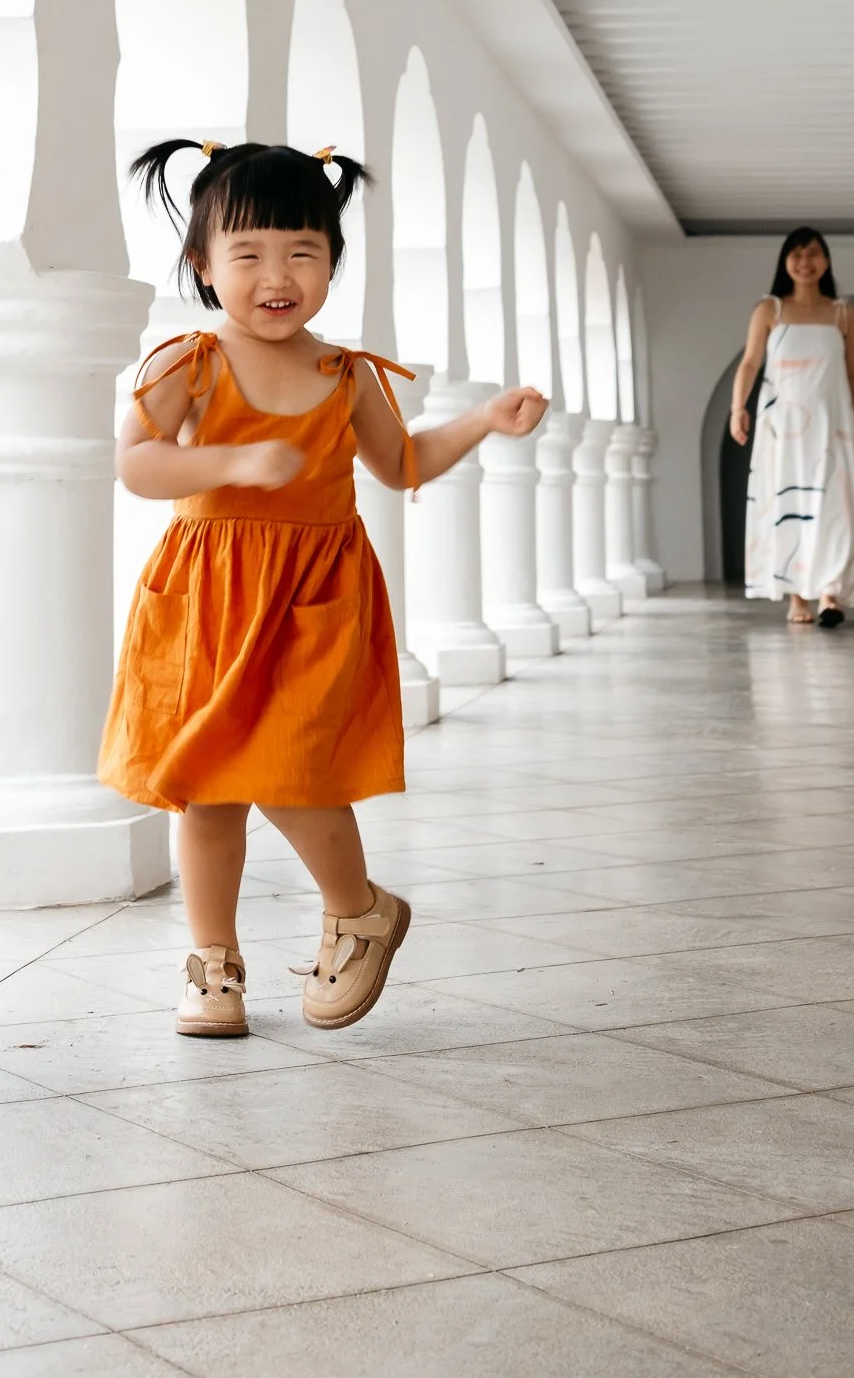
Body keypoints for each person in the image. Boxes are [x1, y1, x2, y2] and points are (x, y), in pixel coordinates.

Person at [98, 137, 547, 1039]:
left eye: (302, 251)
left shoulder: (345, 375)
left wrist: (482, 421)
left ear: (332, 264)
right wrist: (230, 459)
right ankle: (212, 964)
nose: (277, 274)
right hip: (209, 597)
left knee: (293, 770)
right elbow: (138, 464)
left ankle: (357, 910)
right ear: (202, 264)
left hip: (313, 596)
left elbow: (402, 462)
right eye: (249, 252)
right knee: (209, 785)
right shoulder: (184, 360)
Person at [729, 225, 854, 628]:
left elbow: (852, 375)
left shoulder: (843, 313)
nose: (805, 262)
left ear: (826, 261)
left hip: (834, 427)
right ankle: (797, 595)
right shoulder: (769, 311)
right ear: (785, 262)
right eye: (796, 254)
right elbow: (750, 363)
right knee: (788, 504)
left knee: (835, 507)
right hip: (784, 428)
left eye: (813, 253)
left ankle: (830, 592)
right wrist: (737, 407)